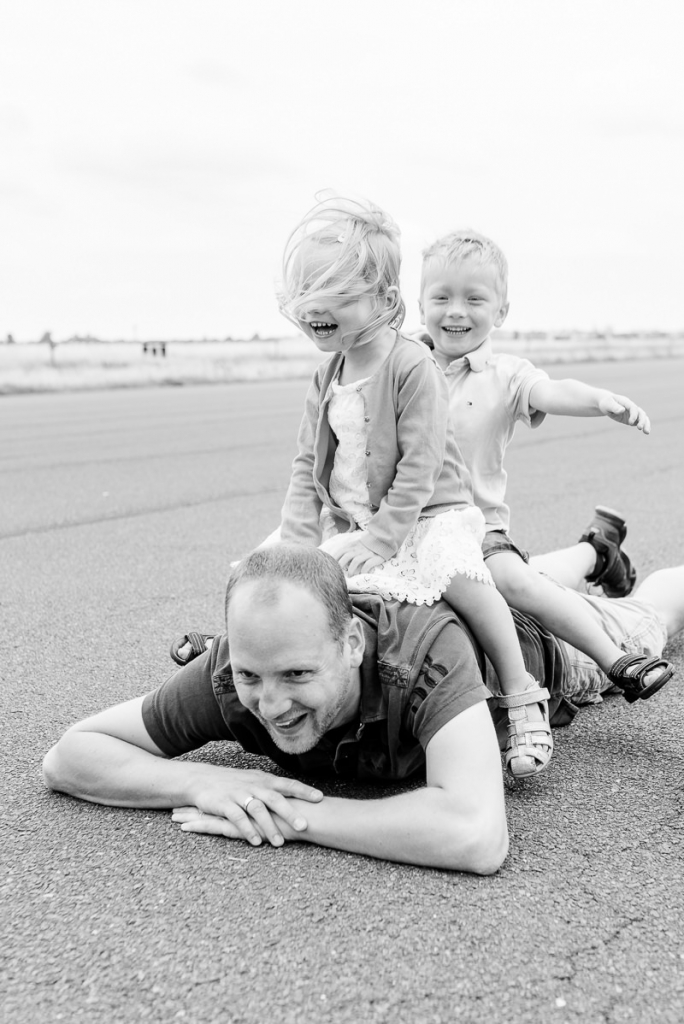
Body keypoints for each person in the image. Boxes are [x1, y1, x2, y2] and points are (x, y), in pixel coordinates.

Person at [42, 542, 679, 875]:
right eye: (250, 675)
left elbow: (475, 834)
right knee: (530, 570)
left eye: (296, 674)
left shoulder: (424, 655)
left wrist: (294, 816)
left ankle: (602, 563)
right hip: (442, 593)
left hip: (545, 648)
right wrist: (202, 780)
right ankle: (593, 553)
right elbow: (70, 756)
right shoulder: (237, 669)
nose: (269, 703)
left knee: (649, 617)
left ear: (351, 644)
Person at [275, 194, 551, 779]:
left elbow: (421, 468)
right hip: (357, 521)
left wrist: (383, 536)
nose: (317, 310)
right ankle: (262, 668)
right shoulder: (327, 374)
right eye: (309, 296)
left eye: (339, 297)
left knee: (459, 577)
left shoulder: (410, 366)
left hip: (429, 513)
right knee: (281, 571)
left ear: (385, 299)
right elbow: (307, 467)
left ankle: (521, 691)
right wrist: (298, 545)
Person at [417, 229, 673, 769]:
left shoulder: (505, 374)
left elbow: (551, 392)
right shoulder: (403, 364)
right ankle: (599, 551)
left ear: (501, 310)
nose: (455, 311)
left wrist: (601, 401)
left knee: (512, 580)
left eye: (474, 298)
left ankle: (616, 658)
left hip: (475, 532)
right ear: (419, 302)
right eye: (441, 296)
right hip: (404, 528)